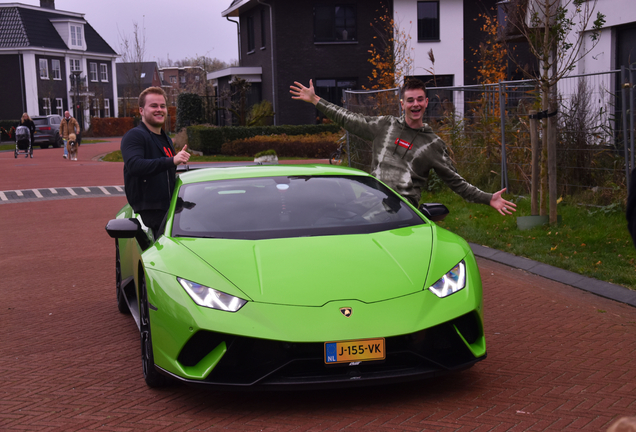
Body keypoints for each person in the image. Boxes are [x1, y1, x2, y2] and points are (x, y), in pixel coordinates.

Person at [290, 78, 516, 215]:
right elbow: (348, 118)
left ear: (426, 102)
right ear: (402, 104)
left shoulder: (434, 144)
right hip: (370, 204)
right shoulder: (385, 125)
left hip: (402, 215)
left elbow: (457, 183)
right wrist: (316, 100)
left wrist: (488, 198)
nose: (415, 104)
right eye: (410, 100)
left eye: (420, 99)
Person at [121, 86, 190, 237]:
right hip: (152, 212)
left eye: (162, 106)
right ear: (141, 111)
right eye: (153, 106)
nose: (159, 109)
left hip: (170, 208)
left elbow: (165, 174)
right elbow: (134, 165)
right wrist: (171, 160)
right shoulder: (135, 136)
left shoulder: (165, 139)